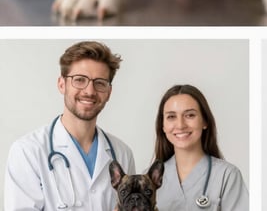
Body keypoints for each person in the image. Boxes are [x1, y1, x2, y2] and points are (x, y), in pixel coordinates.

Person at [4, 41, 134, 210]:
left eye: (100, 83)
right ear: (61, 84)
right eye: (79, 80)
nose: (89, 91)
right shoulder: (27, 151)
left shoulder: (122, 154)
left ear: (109, 93)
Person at [153, 84, 248, 210]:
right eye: (171, 117)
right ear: (163, 126)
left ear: (205, 121)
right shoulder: (148, 180)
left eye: (190, 115)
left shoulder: (227, 175)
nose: (180, 125)